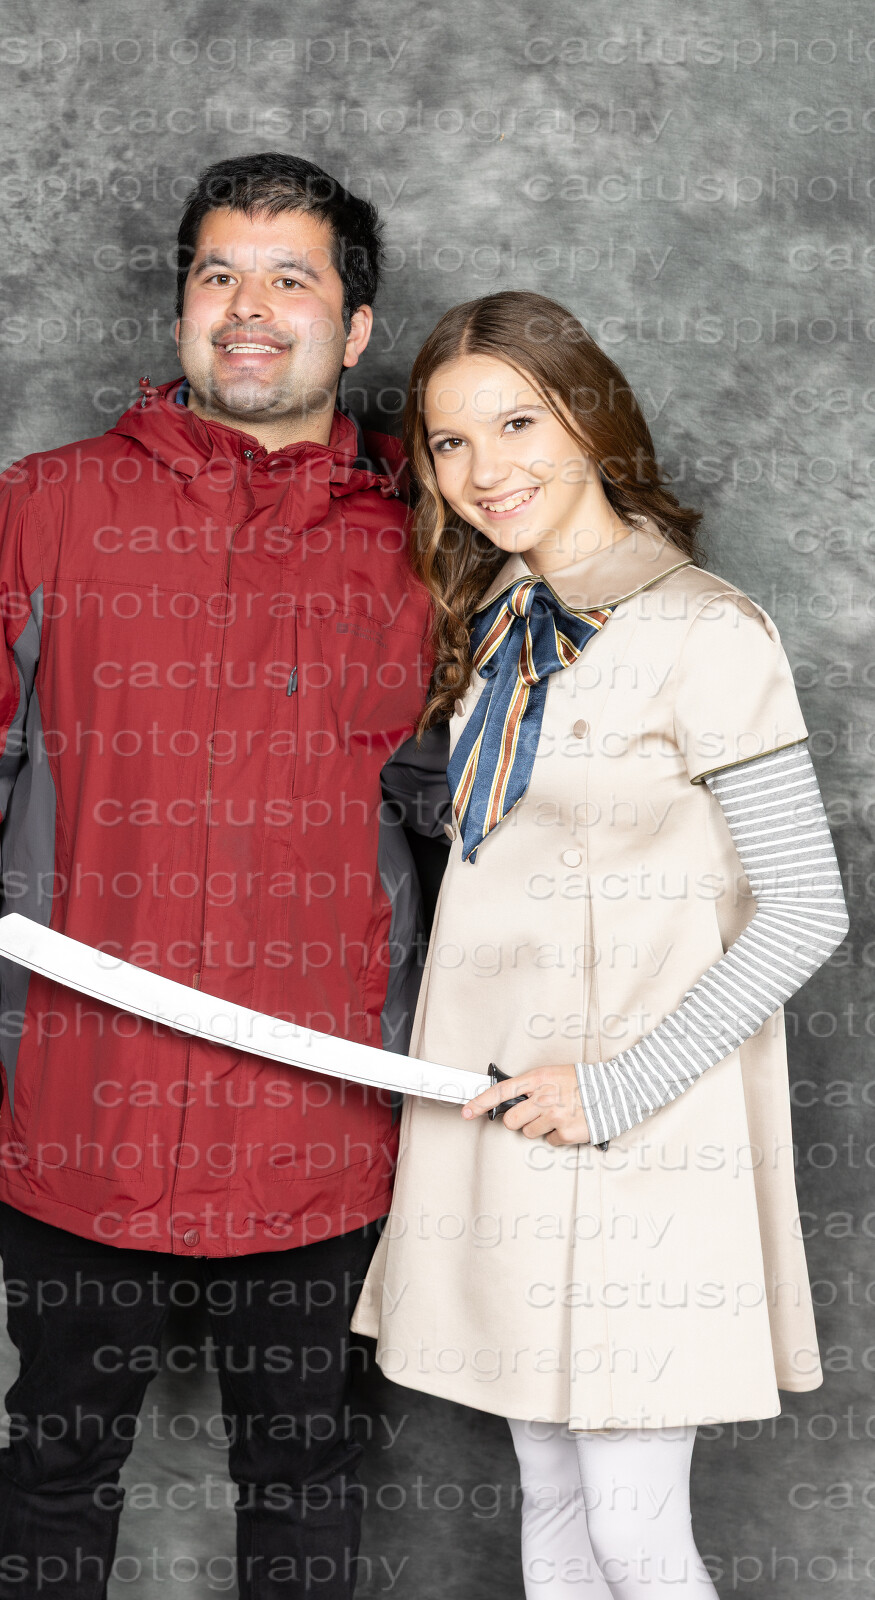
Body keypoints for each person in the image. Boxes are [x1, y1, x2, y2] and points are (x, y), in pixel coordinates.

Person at [0, 153, 437, 1600]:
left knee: (304, 1473)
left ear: (356, 327)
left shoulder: (425, 541)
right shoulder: (46, 505)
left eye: (292, 279)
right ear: (182, 305)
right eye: (217, 273)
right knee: (58, 1458)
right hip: (80, 1099)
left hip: (321, 1119)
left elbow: (484, 815)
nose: (248, 307)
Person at [350, 290, 850, 1597]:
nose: (485, 469)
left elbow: (807, 906)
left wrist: (620, 1087)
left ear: (590, 417)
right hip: (506, 1122)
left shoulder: (707, 630)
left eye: (517, 422)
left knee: (636, 1531)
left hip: (640, 1136)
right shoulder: (503, 614)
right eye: (450, 442)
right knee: (557, 1507)